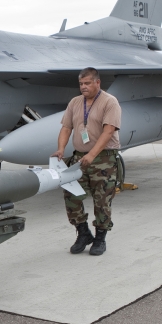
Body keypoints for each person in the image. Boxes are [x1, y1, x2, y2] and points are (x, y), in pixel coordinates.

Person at [52, 67, 122, 256]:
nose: (83, 87)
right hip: (78, 158)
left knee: (102, 200)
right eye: (81, 84)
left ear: (97, 82)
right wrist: (61, 148)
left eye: (87, 83)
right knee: (71, 195)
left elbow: (108, 132)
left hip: (103, 159)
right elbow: (66, 128)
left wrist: (92, 155)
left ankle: (100, 238)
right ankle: (83, 233)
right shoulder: (75, 102)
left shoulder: (109, 102)